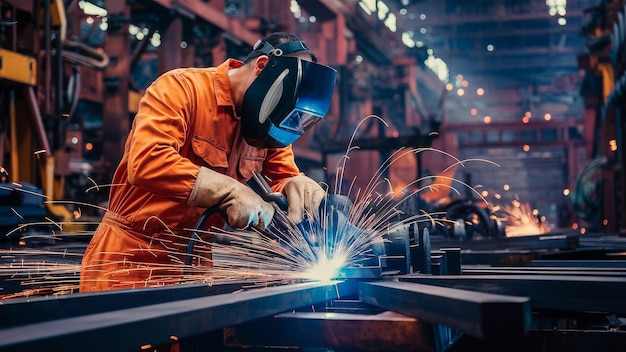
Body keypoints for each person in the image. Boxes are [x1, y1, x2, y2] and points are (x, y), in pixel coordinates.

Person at [79, 32, 336, 292]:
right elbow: (146, 161)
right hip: (130, 261)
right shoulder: (181, 88)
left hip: (196, 266)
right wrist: (229, 190)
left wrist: (298, 186)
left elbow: (282, 177)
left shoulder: (268, 123)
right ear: (261, 67)